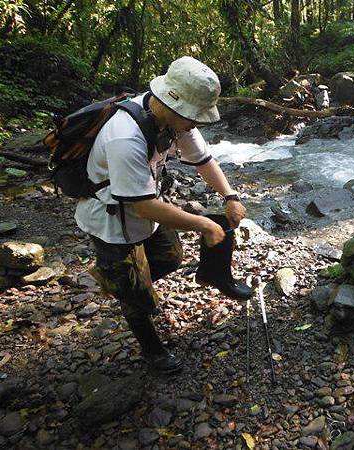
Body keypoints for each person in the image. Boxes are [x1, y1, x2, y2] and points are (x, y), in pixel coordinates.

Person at [76, 56, 252, 374]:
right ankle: (152, 350)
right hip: (112, 221)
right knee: (137, 294)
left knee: (171, 256)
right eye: (194, 117)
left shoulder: (173, 118)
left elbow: (203, 160)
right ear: (173, 104)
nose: (196, 124)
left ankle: (208, 275)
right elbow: (139, 206)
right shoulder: (124, 135)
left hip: (147, 204)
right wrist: (202, 224)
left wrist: (230, 196)